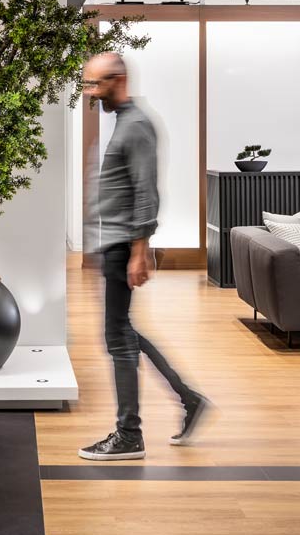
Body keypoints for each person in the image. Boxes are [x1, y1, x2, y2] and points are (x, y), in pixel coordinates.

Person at [78, 51, 209, 460]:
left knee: (117, 339)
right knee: (124, 333)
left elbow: (146, 192)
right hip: (112, 244)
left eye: (96, 85)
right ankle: (190, 399)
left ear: (118, 80)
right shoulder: (123, 122)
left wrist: (139, 250)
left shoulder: (136, 126)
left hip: (122, 247)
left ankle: (129, 434)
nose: (92, 93)